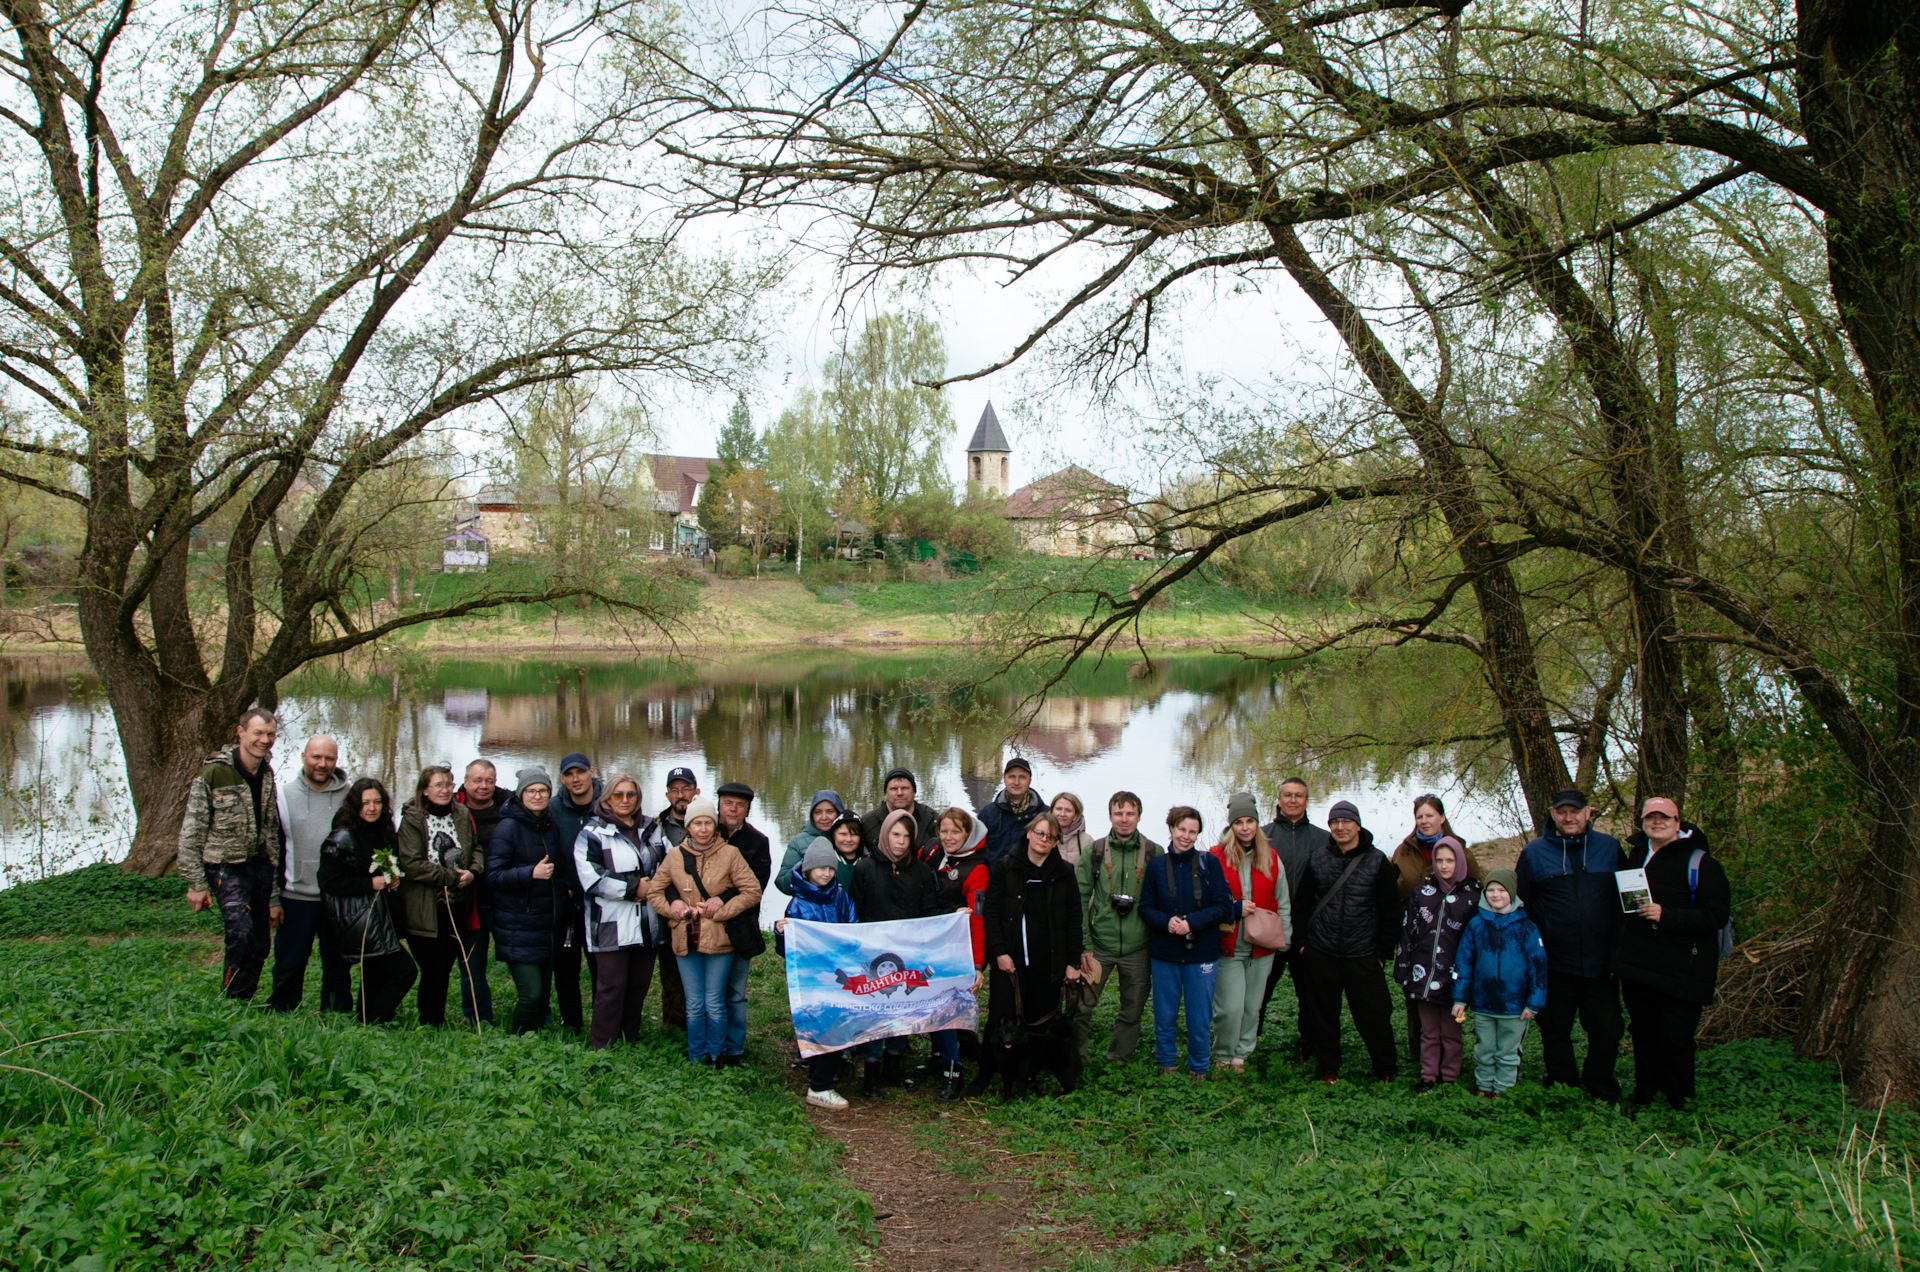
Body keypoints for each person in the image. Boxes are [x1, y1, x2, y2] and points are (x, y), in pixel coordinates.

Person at [1614, 798, 1730, 1111]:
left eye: (1664, 817)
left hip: (1685, 968)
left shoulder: (1701, 862)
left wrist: (1668, 915)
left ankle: (1680, 1102)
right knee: (1643, 1034)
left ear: (1678, 822)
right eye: (1651, 817)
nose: (1657, 822)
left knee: (1676, 1038)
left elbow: (1716, 915)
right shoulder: (1635, 856)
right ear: (1643, 822)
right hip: (1639, 966)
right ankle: (1645, 1096)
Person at [1515, 787, 1626, 1102]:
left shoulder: (1610, 848)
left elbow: (1629, 900)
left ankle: (1600, 1084)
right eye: (1562, 812)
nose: (1568, 817)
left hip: (1601, 963)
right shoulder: (1534, 853)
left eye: (1575, 811)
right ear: (1552, 814)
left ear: (1587, 812)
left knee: (1607, 1029)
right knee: (1554, 1029)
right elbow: (1521, 906)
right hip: (1554, 963)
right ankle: (1563, 1083)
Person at [1291, 800, 1402, 1084]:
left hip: (1363, 954)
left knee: (1375, 1016)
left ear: (1357, 824)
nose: (1340, 827)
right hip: (1322, 952)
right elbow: (1301, 906)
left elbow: (1391, 911)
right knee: (1323, 1016)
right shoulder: (1317, 858)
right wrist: (1304, 945)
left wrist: (1381, 953)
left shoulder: (1378, 861)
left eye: (1346, 821)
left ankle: (1385, 1069)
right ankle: (1329, 1068)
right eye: (1334, 822)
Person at [179, 707, 284, 1001]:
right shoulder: (214, 772)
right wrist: (196, 883)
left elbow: (271, 832)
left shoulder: (266, 773)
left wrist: (274, 894)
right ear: (241, 733)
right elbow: (192, 831)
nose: (264, 740)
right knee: (240, 931)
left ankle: (245, 998)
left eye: (270, 734)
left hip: (260, 867)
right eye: (258, 733)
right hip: (226, 867)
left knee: (261, 943)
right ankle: (231, 998)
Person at [649, 797, 762, 1066]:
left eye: (708, 823)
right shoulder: (675, 856)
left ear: (715, 826)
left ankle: (717, 1053)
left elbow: (752, 891)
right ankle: (696, 1055)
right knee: (694, 1003)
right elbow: (655, 891)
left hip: (719, 939)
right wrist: (672, 907)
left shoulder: (730, 854)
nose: (702, 829)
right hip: (685, 937)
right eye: (697, 823)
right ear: (688, 827)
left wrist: (721, 908)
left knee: (714, 1001)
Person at [847, 808, 952, 1095]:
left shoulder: (920, 872)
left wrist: (955, 914)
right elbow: (855, 911)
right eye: (896, 834)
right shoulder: (865, 869)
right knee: (875, 1014)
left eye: (907, 836)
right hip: (873, 955)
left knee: (900, 1009)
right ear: (884, 834)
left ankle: (893, 1066)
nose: (901, 842)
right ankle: (870, 1073)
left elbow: (929, 911)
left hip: (908, 953)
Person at [982, 812, 1085, 1099]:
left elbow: (1074, 918)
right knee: (1001, 1018)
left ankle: (1031, 1074)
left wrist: (1072, 962)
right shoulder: (1006, 867)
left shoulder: (1064, 871)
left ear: (1055, 842)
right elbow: (991, 912)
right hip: (1011, 961)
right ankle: (987, 1072)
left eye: (1051, 837)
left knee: (1039, 1022)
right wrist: (999, 952)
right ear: (1029, 833)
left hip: (1048, 960)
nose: (1044, 840)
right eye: (1040, 833)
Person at [1140, 806, 1239, 1078]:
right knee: (1165, 1016)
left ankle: (1199, 1067)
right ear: (1171, 828)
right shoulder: (1157, 866)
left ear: (1198, 834)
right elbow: (1146, 908)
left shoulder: (1210, 864)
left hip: (1202, 954)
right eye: (1181, 829)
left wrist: (1192, 923)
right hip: (1165, 953)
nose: (1186, 836)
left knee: (1199, 1018)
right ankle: (1167, 1064)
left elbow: (1223, 908)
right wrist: (1167, 922)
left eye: (1192, 832)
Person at [1388, 795, 1486, 1064]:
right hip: (1415, 937)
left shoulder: (1460, 852)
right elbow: (1390, 891)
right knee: (1416, 997)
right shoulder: (1403, 851)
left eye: (1430, 815)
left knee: (1448, 999)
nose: (1424, 821)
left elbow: (1478, 894)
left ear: (1442, 818)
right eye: (1420, 816)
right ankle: (1421, 1056)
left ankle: (1449, 1057)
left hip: (1452, 939)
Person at [574, 772, 666, 1049]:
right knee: (611, 988)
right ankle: (602, 1045)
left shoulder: (652, 828)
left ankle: (629, 1038)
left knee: (638, 986)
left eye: (631, 795)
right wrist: (633, 888)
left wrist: (655, 886)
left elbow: (669, 862)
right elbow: (591, 878)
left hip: (647, 922)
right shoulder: (591, 833)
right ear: (607, 798)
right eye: (618, 795)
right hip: (610, 922)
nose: (625, 800)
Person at [1072, 790, 1162, 1066]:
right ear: (1110, 816)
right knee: (1080, 1007)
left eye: (1130, 814)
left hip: (1138, 946)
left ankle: (1118, 1059)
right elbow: (1078, 898)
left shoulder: (1153, 852)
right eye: (1118, 814)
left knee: (1132, 1010)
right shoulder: (1095, 851)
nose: (1124, 820)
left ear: (1139, 816)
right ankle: (1077, 1058)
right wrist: (1085, 944)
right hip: (1099, 945)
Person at [317, 777, 418, 1023]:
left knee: (373, 972)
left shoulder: (383, 831)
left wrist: (392, 878)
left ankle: (366, 1021)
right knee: (405, 971)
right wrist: (369, 884)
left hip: (380, 917)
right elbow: (328, 882)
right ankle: (378, 1019)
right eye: (365, 803)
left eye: (377, 802)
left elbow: (385, 867)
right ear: (355, 805)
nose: (372, 808)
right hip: (358, 920)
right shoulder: (342, 837)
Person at [268, 734, 353, 1013]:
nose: (322, 764)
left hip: (337, 897)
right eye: (316, 757)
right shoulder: (282, 795)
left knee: (337, 961)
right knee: (290, 959)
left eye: (329, 758)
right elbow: (272, 852)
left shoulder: (350, 797)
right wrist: (273, 899)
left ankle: (336, 1011)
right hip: (296, 895)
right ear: (304, 756)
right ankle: (283, 1007)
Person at [395, 765, 482, 1026]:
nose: (445, 790)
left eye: (448, 784)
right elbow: (411, 864)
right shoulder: (412, 818)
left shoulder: (462, 814)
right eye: (438, 785)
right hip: (425, 907)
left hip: (456, 905)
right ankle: (430, 1022)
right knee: (432, 966)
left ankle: (436, 1018)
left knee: (445, 965)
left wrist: (474, 872)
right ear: (424, 790)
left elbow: (475, 847)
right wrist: (453, 877)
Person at [1452, 868, 1549, 1098]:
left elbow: (1538, 966)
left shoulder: (1526, 927)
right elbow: (1464, 962)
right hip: (1483, 1002)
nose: (1496, 895)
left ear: (1512, 893)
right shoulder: (1476, 925)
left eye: (1502, 890)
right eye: (1491, 890)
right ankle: (1484, 1085)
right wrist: (1460, 998)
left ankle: (1503, 1089)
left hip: (1514, 1006)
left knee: (1507, 1050)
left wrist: (1534, 1003)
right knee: (1484, 1048)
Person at [777, 841, 859, 1109]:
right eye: (820, 868)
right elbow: (786, 951)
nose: (826, 873)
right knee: (823, 1025)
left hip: (839, 976)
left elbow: (853, 929)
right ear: (809, 869)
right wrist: (781, 934)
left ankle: (825, 1070)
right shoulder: (797, 905)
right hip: (814, 979)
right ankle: (819, 1086)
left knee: (838, 1024)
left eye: (830, 868)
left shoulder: (841, 897)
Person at [1209, 793, 1287, 1072]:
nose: (1245, 827)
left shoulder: (1272, 857)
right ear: (1231, 826)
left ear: (1257, 823)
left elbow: (1283, 900)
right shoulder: (1215, 857)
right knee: (1229, 1008)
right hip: (1229, 944)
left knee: (1252, 1007)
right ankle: (1222, 1055)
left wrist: (1284, 937)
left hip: (1262, 946)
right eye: (1239, 822)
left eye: (1250, 821)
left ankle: (1241, 1054)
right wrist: (1232, 908)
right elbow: (1206, 901)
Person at [488, 767, 566, 1034]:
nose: (537, 796)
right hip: (518, 924)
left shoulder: (549, 826)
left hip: (546, 925)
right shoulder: (507, 828)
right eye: (531, 791)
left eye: (543, 790)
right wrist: (529, 873)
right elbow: (494, 876)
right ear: (521, 795)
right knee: (531, 995)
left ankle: (533, 1042)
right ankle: (515, 1042)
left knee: (543, 995)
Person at [924, 807, 990, 1100]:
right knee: (930, 1002)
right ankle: (939, 1055)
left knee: (948, 1007)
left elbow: (977, 917)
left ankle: (954, 1068)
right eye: (944, 831)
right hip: (931, 945)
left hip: (958, 950)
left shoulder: (977, 869)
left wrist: (977, 964)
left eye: (956, 832)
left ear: (968, 834)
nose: (948, 837)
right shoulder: (931, 854)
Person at [1257, 778, 1327, 1054]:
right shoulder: (1263, 836)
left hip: (1309, 930)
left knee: (1310, 993)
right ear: (1279, 799)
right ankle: (1246, 1043)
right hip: (1269, 926)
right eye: (1288, 795)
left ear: (1307, 801)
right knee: (1259, 991)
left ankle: (1309, 1045)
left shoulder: (1323, 839)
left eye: (1299, 796)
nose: (1293, 800)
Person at [640, 767, 702, 1031]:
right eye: (675, 790)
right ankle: (674, 1026)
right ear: (667, 795)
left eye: (686, 789)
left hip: (702, 910)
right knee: (671, 970)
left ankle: (704, 1025)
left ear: (696, 792)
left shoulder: (708, 823)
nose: (681, 795)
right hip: (668, 909)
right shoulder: (655, 827)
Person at [715, 780, 771, 1066]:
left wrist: (723, 897)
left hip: (741, 926)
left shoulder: (758, 842)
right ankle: (711, 1046)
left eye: (740, 805)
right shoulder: (705, 833)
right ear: (719, 805)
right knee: (710, 993)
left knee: (735, 992)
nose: (733, 809)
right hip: (708, 925)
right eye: (728, 803)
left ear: (747, 809)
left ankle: (734, 1049)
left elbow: (755, 887)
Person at [548, 752, 602, 1033]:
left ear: (591, 772)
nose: (575, 779)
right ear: (562, 779)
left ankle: (601, 1022)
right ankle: (571, 1021)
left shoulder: (609, 803)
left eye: (580, 772)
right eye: (569, 774)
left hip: (602, 899)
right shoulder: (553, 808)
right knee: (566, 966)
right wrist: (561, 885)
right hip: (567, 900)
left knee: (601, 966)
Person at [454, 760, 508, 1023]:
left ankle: (535, 1013)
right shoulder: (453, 810)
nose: (483, 786)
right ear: (465, 781)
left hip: (505, 900)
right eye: (477, 780)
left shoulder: (508, 809)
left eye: (489, 780)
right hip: (470, 901)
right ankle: (478, 1018)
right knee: (472, 966)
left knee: (522, 960)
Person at [775, 790, 845, 896]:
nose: (824, 817)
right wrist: (806, 864)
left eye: (830, 812)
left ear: (838, 813)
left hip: (847, 905)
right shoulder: (798, 842)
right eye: (818, 812)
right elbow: (782, 884)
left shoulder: (851, 838)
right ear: (812, 815)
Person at [980, 756, 1047, 866]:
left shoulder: (1044, 814)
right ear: (1005, 779)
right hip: (995, 879)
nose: (1016, 782)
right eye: (1012, 777)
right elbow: (978, 852)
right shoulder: (988, 813)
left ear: (1030, 780)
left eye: (1022, 777)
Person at [860, 767, 940, 847]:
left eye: (905, 788)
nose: (899, 793)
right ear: (886, 794)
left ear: (914, 792)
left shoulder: (932, 820)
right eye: (894, 789)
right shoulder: (867, 823)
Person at [823, 810, 868, 887]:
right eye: (843, 834)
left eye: (854, 834)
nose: (848, 839)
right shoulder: (824, 861)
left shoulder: (869, 862)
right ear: (834, 835)